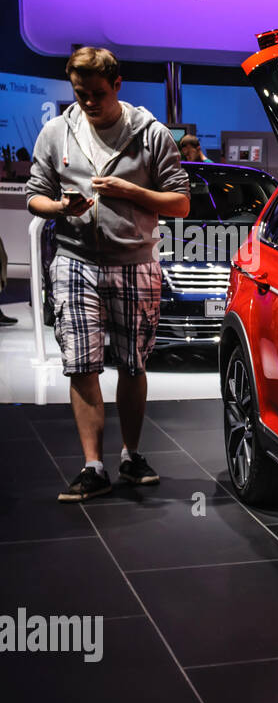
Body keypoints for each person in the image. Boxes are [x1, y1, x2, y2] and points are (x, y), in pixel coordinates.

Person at [25, 46, 190, 502]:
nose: (89, 102)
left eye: (97, 93)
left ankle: (131, 455)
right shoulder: (56, 133)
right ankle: (92, 464)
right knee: (82, 363)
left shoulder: (151, 134)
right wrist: (61, 206)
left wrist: (129, 190)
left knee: (134, 363)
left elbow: (180, 202)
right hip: (75, 260)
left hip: (135, 262)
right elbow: (35, 195)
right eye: (80, 94)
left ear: (118, 86)